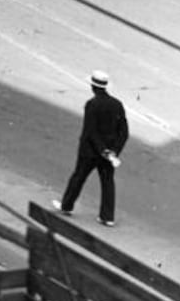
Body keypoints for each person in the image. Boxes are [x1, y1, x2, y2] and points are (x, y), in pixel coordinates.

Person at [53, 70, 128, 226]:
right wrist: (113, 151)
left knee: (78, 177)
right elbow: (124, 132)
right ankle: (107, 217)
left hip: (90, 152)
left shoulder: (92, 104)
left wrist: (102, 150)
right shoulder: (117, 104)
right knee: (107, 182)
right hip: (109, 153)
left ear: (93, 87)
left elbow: (91, 131)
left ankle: (67, 205)